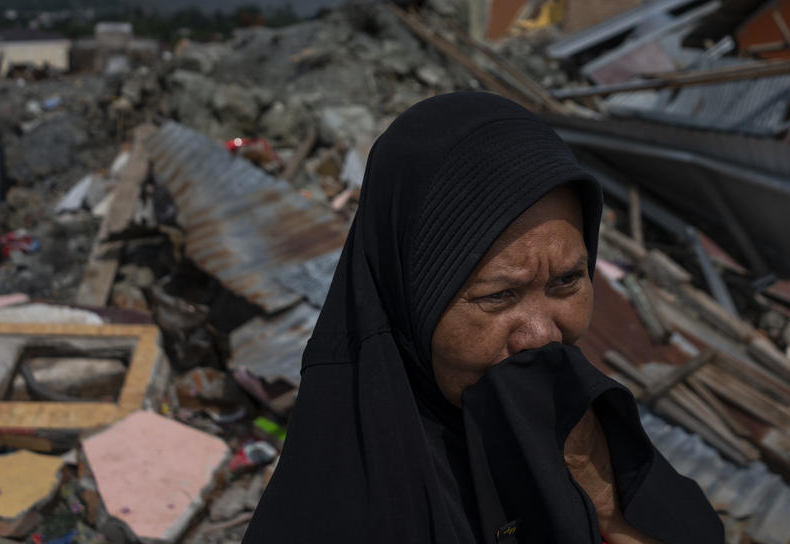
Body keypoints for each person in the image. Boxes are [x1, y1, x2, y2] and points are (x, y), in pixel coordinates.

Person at [243, 92, 722, 543]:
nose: (542, 335)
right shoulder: (347, 506)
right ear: (410, 301)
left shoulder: (580, 425)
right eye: (499, 296)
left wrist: (601, 496)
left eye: (566, 282)